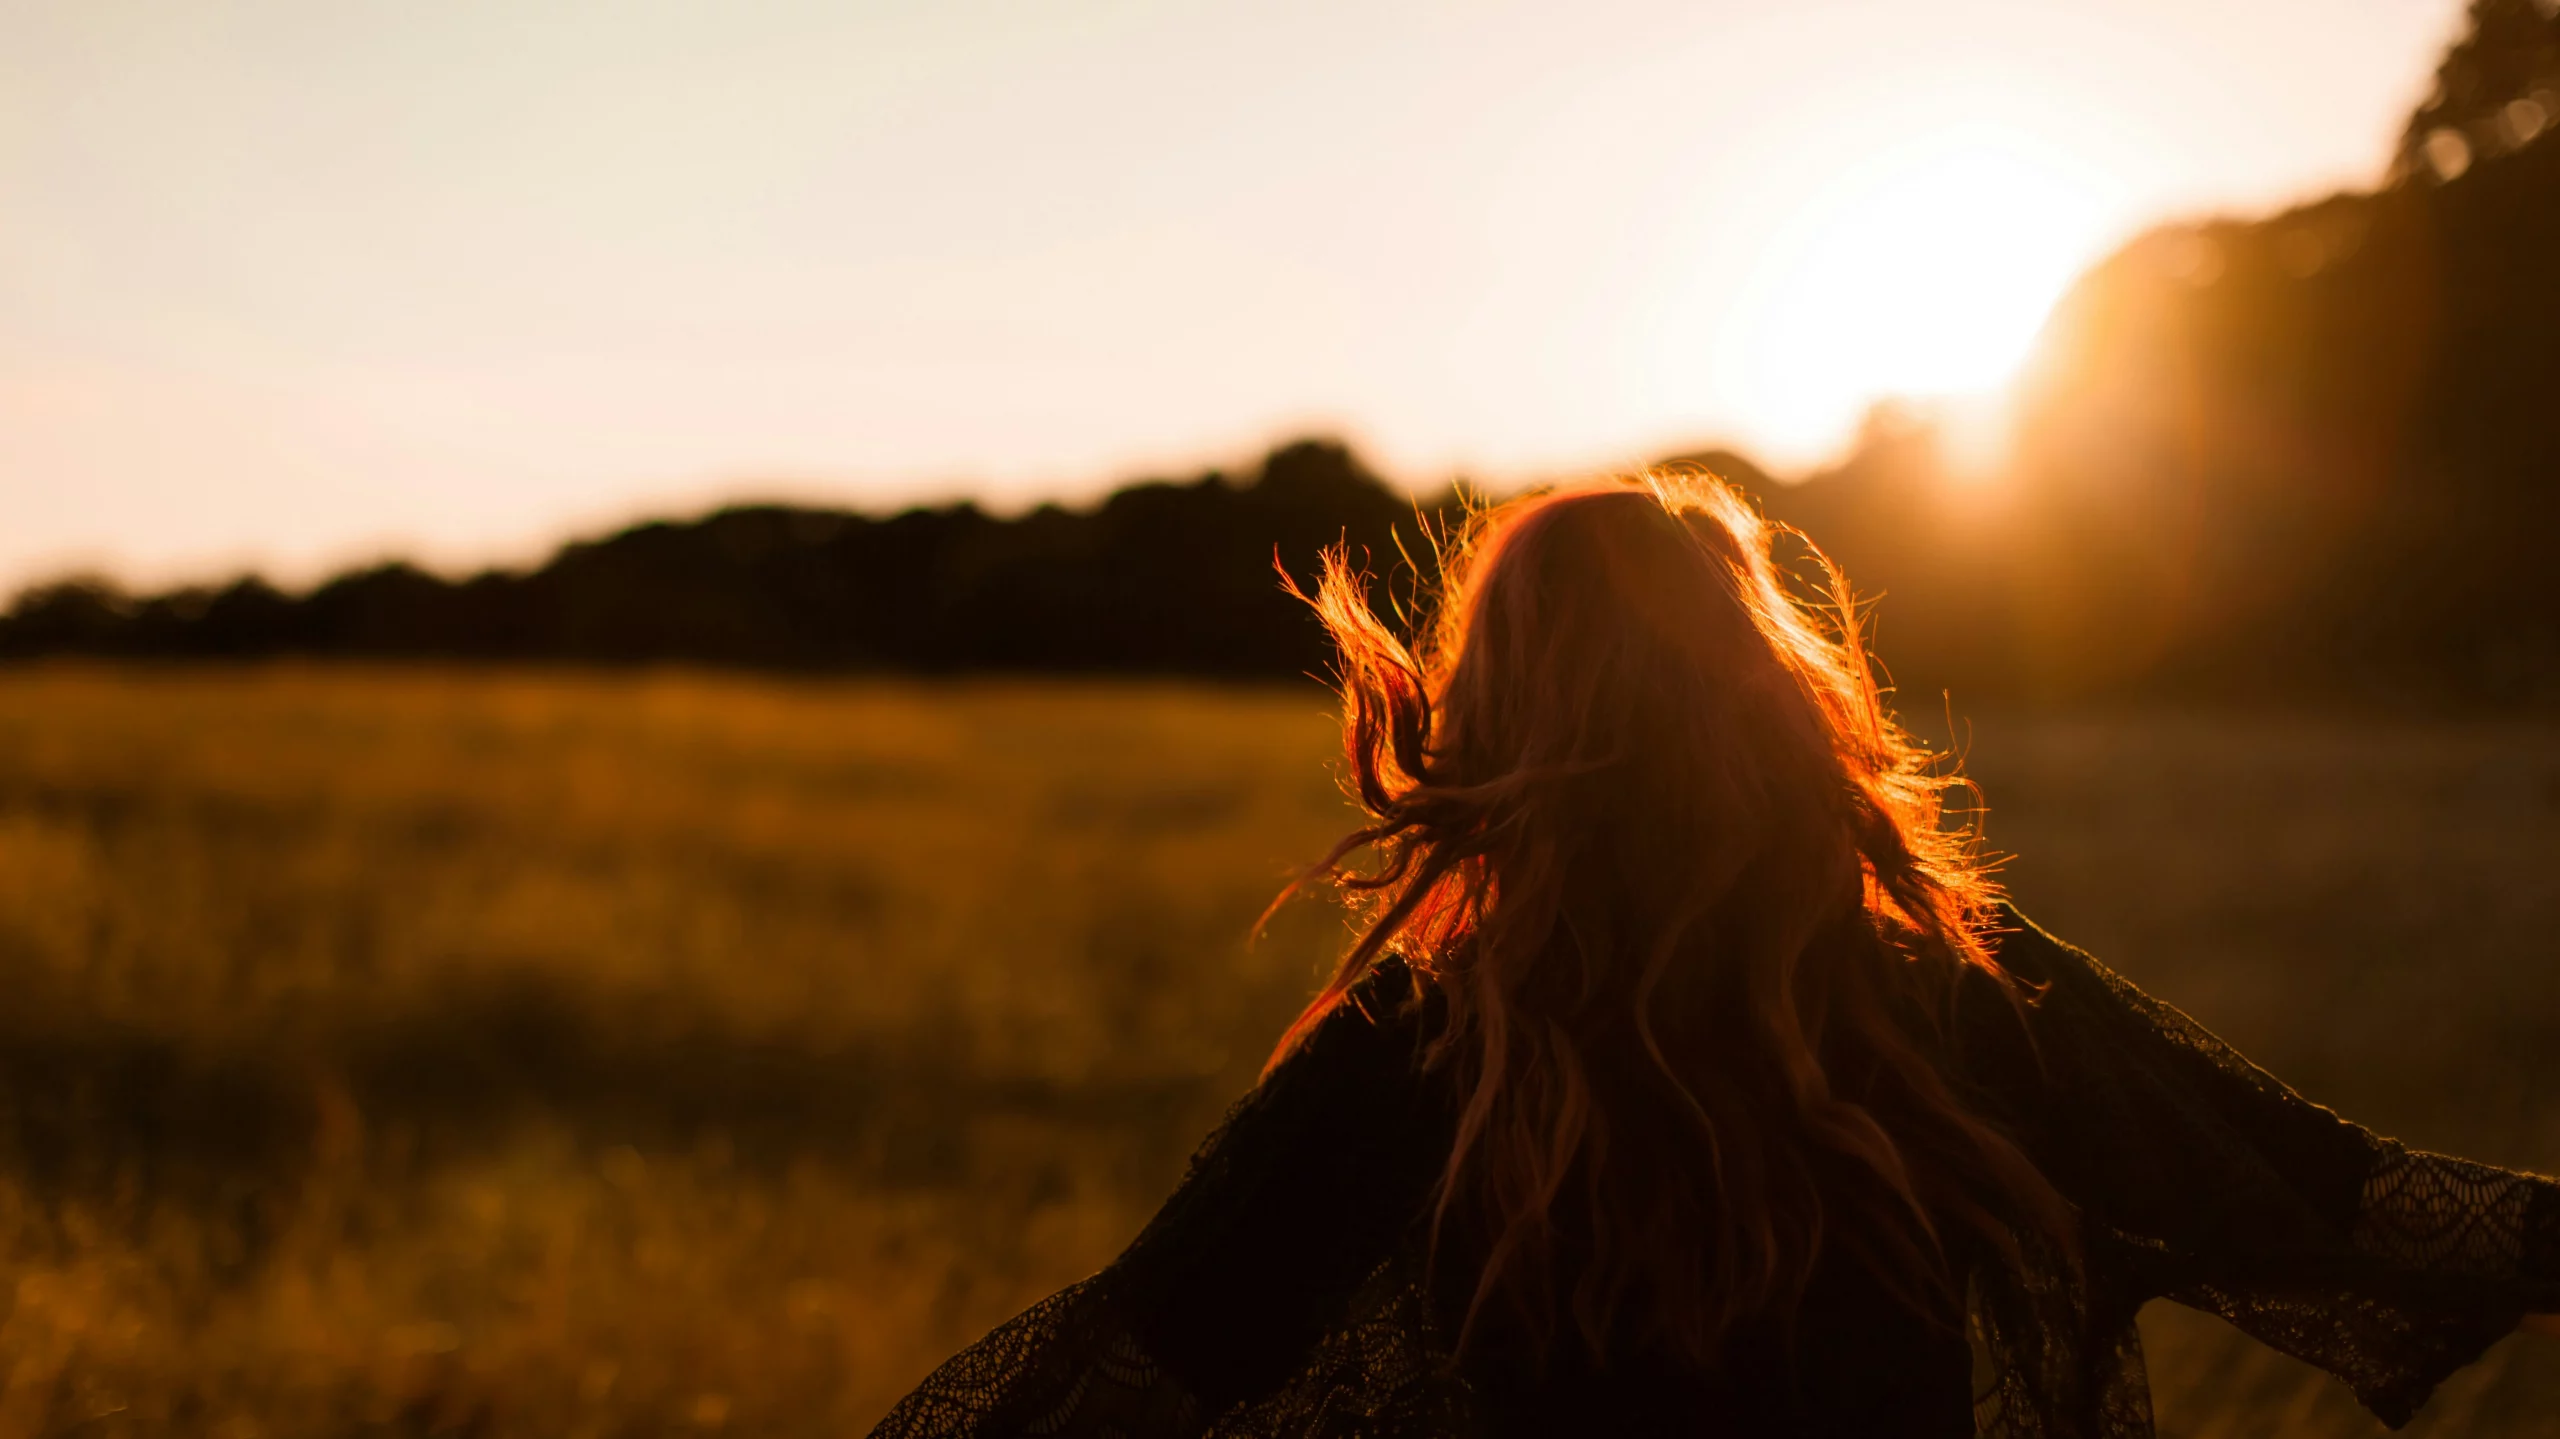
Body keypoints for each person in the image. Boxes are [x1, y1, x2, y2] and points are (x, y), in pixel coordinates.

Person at [871, 473, 2559, 1438]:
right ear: (1767, 699)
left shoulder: (1409, 1052)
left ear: (1496, 718)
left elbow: (1113, 1387)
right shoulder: (1938, 988)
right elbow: (2349, 1203)